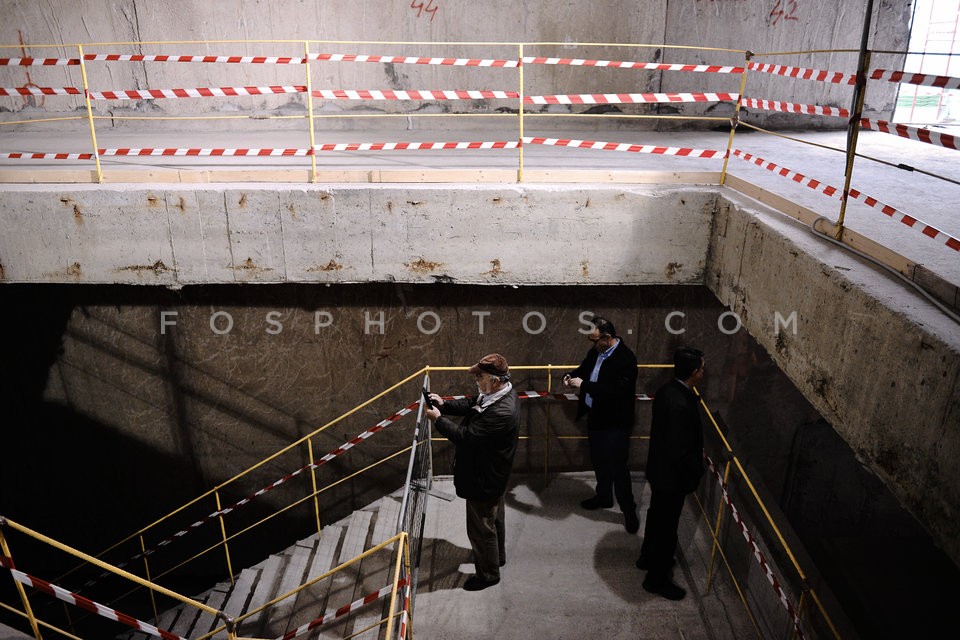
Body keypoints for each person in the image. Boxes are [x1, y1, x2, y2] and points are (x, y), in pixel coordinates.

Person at [424, 353, 520, 592]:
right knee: (494, 519)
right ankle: (496, 558)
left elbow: (466, 437)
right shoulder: (498, 393)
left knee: (480, 528)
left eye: (480, 376)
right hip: (493, 473)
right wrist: (444, 404)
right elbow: (472, 403)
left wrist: (438, 420)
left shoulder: (502, 411)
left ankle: (488, 575)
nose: (477, 380)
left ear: (495, 380)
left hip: (484, 477)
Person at [636, 346, 706, 601]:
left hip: (659, 472)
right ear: (692, 372)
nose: (703, 372)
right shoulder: (681, 403)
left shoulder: (667, 391)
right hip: (672, 478)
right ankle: (656, 579)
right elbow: (680, 448)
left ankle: (646, 557)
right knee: (667, 529)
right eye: (701, 368)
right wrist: (695, 470)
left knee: (656, 518)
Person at [563, 316, 640, 534]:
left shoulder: (626, 359)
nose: (592, 344)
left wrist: (584, 385)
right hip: (596, 417)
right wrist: (570, 376)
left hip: (615, 423)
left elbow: (617, 393)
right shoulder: (596, 352)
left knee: (618, 468)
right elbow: (583, 369)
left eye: (595, 340)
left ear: (606, 338)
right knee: (598, 461)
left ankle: (629, 511)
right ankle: (604, 497)